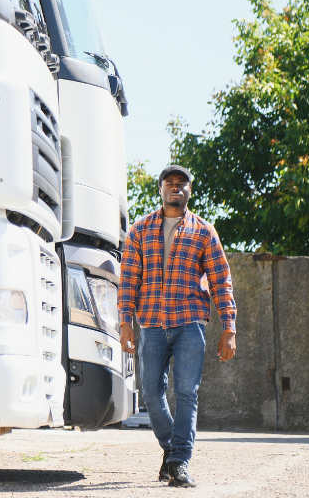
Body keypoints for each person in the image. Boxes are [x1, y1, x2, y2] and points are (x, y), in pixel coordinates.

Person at [118, 165, 236, 488]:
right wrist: (125, 322)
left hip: (189, 324)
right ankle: (172, 451)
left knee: (187, 393)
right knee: (152, 394)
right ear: (161, 189)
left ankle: (179, 462)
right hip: (152, 324)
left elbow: (220, 281)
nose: (175, 188)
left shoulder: (204, 232)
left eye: (181, 184)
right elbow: (129, 279)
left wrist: (229, 326)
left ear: (189, 191)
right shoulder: (140, 230)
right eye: (169, 183)